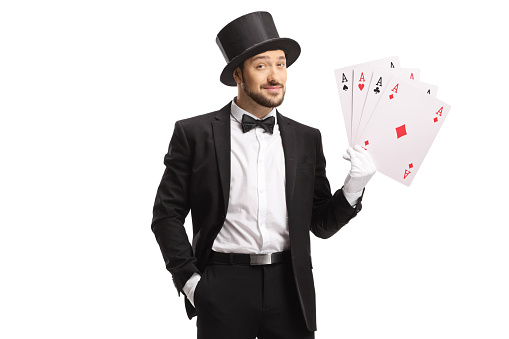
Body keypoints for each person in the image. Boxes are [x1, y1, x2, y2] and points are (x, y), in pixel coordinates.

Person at [151, 11, 376, 339]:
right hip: (221, 284)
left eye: (281, 64)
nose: (275, 76)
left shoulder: (306, 138)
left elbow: (320, 224)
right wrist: (191, 283)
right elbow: (166, 216)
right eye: (261, 65)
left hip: (290, 286)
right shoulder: (194, 134)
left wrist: (355, 186)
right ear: (238, 75)